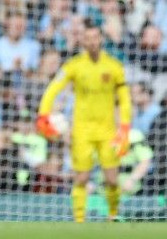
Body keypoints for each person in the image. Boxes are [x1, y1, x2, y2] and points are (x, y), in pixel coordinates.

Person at [37, 20, 132, 222]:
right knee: (81, 178)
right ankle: (79, 221)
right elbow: (54, 88)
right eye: (87, 38)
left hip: (108, 131)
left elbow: (124, 99)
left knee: (112, 179)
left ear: (101, 39)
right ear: (82, 40)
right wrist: (44, 113)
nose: (92, 42)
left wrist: (124, 126)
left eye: (95, 38)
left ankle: (113, 215)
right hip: (82, 131)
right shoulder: (74, 66)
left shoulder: (114, 66)